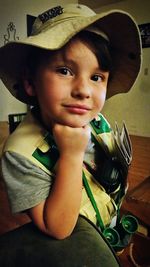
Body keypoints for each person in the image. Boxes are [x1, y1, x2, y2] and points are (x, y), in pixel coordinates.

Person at [0, 3, 141, 267]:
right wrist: (71, 155)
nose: (83, 91)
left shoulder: (97, 120)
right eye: (65, 71)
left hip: (105, 220)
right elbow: (58, 228)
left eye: (97, 77)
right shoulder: (20, 155)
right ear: (30, 81)